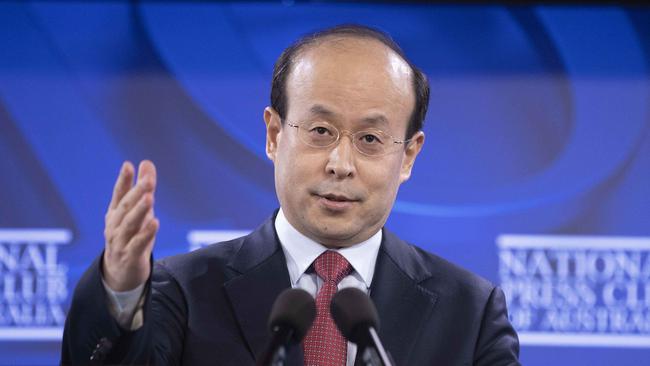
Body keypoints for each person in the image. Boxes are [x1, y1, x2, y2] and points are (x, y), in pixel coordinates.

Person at [61, 24, 520, 366]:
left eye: (370, 140)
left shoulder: (470, 312)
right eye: (320, 130)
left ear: (409, 156)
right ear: (275, 135)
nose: (341, 163)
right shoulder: (182, 292)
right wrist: (120, 292)